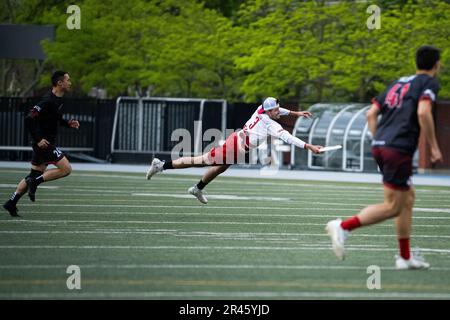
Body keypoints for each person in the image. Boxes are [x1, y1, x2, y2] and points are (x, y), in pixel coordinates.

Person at [326, 46, 443, 270]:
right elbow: (423, 112)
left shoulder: (399, 82)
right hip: (397, 148)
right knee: (393, 206)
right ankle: (343, 226)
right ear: (436, 64)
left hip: (382, 145)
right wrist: (434, 146)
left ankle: (404, 257)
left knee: (407, 199)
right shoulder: (429, 83)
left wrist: (379, 139)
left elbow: (371, 113)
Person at [146, 97, 322, 203]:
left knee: (221, 168)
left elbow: (279, 109)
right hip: (234, 147)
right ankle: (161, 165)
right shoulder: (270, 124)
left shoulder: (261, 110)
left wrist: (295, 113)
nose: (277, 112)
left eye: (277, 109)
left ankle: (197, 188)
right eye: (274, 110)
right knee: (200, 161)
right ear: (267, 112)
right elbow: (289, 138)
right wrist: (308, 146)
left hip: (237, 143)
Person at [2, 71, 80, 217]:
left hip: (45, 143)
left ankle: (11, 202)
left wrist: (68, 123)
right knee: (66, 169)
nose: (70, 83)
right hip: (43, 144)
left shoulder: (58, 99)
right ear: (60, 83)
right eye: (68, 80)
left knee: (33, 174)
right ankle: (35, 182)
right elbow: (29, 118)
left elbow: (55, 118)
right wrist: (38, 139)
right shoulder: (47, 100)